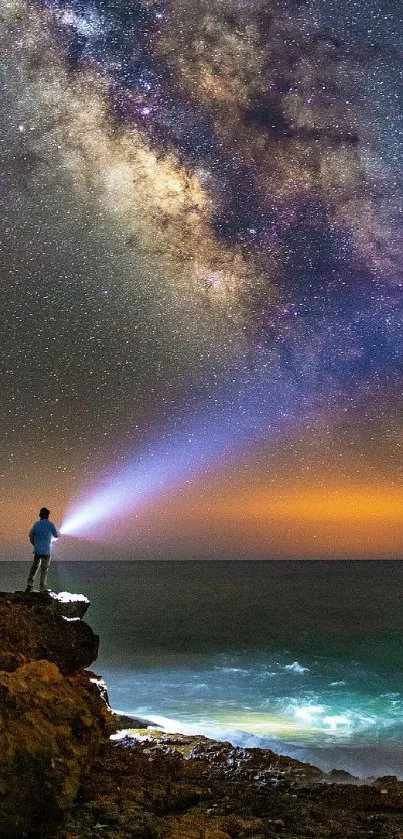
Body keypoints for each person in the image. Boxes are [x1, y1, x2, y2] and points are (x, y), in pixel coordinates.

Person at [25, 507, 59, 593]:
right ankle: (42, 588)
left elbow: (31, 536)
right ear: (48, 515)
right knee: (44, 569)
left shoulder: (36, 524)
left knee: (34, 567)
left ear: (40, 515)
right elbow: (56, 536)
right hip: (47, 551)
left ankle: (29, 586)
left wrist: (35, 544)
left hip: (37, 550)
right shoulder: (51, 524)